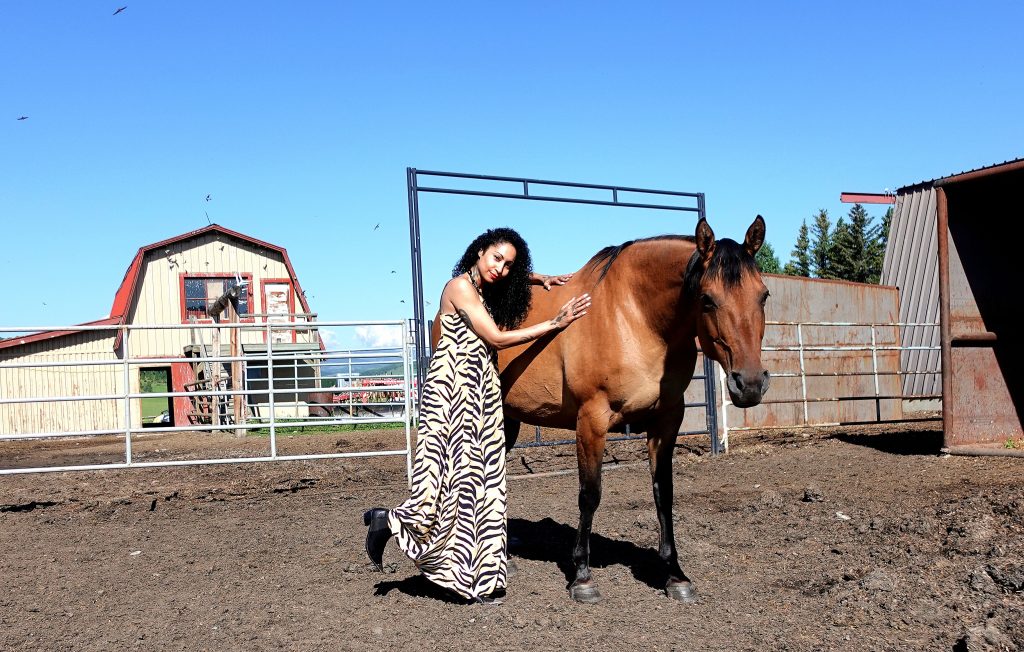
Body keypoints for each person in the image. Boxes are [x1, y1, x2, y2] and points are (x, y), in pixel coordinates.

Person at [363, 227, 590, 604]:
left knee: (481, 484)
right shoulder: (460, 289)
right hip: (451, 390)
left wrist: (540, 278)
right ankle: (389, 522)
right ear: (479, 252)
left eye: (509, 265)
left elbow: (509, 277)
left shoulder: (484, 286)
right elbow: (498, 339)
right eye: (496, 258)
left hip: (480, 390)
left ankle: (477, 578)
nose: (500, 269)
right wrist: (557, 322)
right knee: (449, 483)